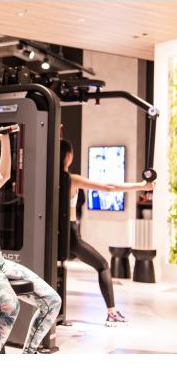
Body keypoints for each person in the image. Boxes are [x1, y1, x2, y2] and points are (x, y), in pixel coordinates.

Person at [0, 126, 61, 353]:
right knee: (10, 306)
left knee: (52, 301)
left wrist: (5, 139)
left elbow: (5, 174)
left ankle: (28, 355)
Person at [60, 139, 155, 326]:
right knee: (103, 265)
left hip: (57, 234)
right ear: (69, 156)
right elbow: (110, 187)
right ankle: (112, 313)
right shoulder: (71, 179)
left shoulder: (51, 178)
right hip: (71, 237)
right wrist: (142, 186)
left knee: (58, 269)